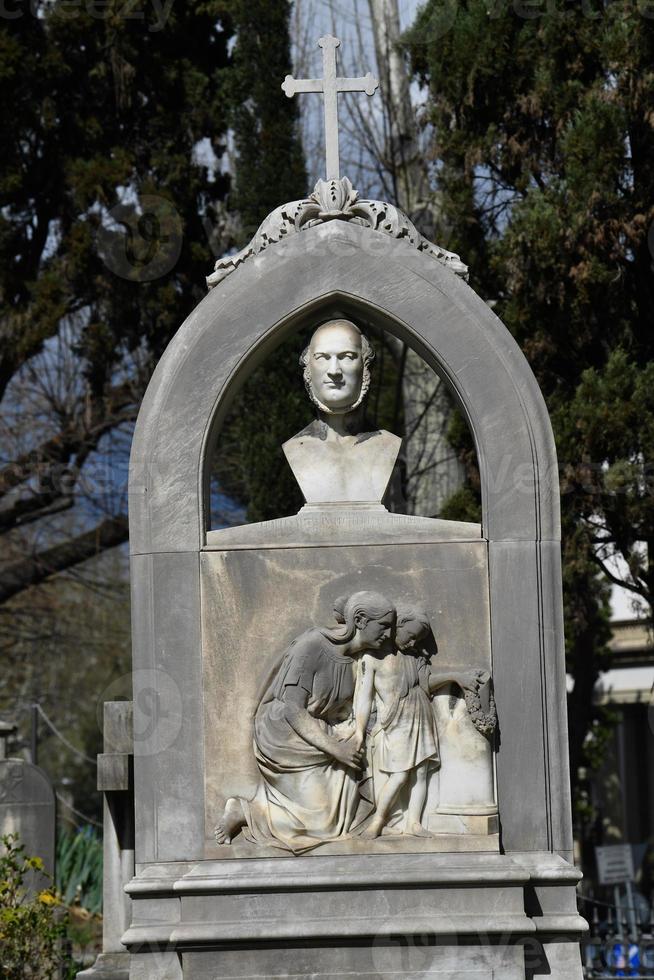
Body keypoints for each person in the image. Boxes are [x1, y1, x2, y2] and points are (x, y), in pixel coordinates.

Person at [214, 591, 396, 853]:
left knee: (339, 815)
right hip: (284, 733)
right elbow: (292, 708)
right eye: (384, 626)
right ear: (360, 620)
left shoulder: (360, 662)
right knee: (321, 824)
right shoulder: (313, 645)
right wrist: (337, 749)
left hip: (318, 731)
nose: (388, 635)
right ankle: (246, 811)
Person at [353, 604, 439, 838]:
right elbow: (364, 697)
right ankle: (378, 821)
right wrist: (359, 731)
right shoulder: (372, 658)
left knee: (421, 773)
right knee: (399, 775)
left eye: (416, 640)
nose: (412, 643)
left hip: (421, 715)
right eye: (410, 637)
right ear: (397, 625)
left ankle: (414, 823)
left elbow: (425, 685)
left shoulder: (415, 657)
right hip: (395, 722)